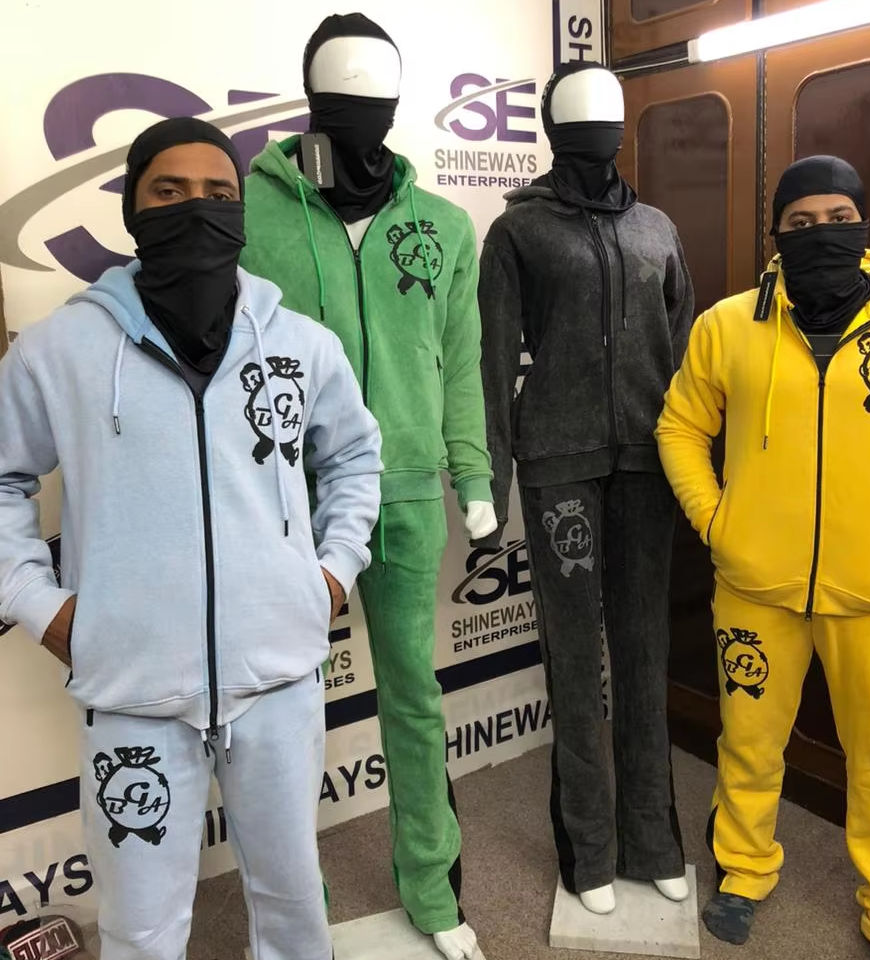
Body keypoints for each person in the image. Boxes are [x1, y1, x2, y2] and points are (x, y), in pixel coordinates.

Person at [0, 117, 382, 960]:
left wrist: (330, 572)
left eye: (217, 193)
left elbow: (355, 458)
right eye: (168, 191)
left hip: (278, 678)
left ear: (240, 210)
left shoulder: (299, 345)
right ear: (133, 207)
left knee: (293, 903)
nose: (196, 208)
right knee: (140, 929)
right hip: (130, 691)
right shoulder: (61, 349)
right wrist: (37, 602)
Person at [656, 155, 870, 960]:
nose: (820, 233)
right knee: (748, 744)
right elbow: (680, 426)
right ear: (777, 235)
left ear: (864, 226)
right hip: (755, 587)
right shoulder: (728, 325)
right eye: (800, 223)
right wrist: (717, 521)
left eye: (837, 219)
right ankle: (744, 870)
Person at [240, 15, 494, 960]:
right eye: (344, 96)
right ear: (311, 98)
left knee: (414, 697)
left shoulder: (443, 226)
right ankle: (293, 915)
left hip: (411, 493)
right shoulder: (252, 212)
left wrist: (472, 473)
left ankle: (431, 888)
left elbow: (462, 363)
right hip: (288, 499)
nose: (363, 114)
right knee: (284, 715)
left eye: (377, 96)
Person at [478, 60, 694, 914]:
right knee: (573, 660)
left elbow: (685, 353)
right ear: (552, 129)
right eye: (578, 116)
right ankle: (590, 852)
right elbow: (494, 356)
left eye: (608, 114)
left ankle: (653, 840)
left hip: (646, 461)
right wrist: (492, 475)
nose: (596, 129)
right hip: (558, 462)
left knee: (643, 651)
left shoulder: (657, 229)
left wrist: (695, 459)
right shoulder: (519, 232)